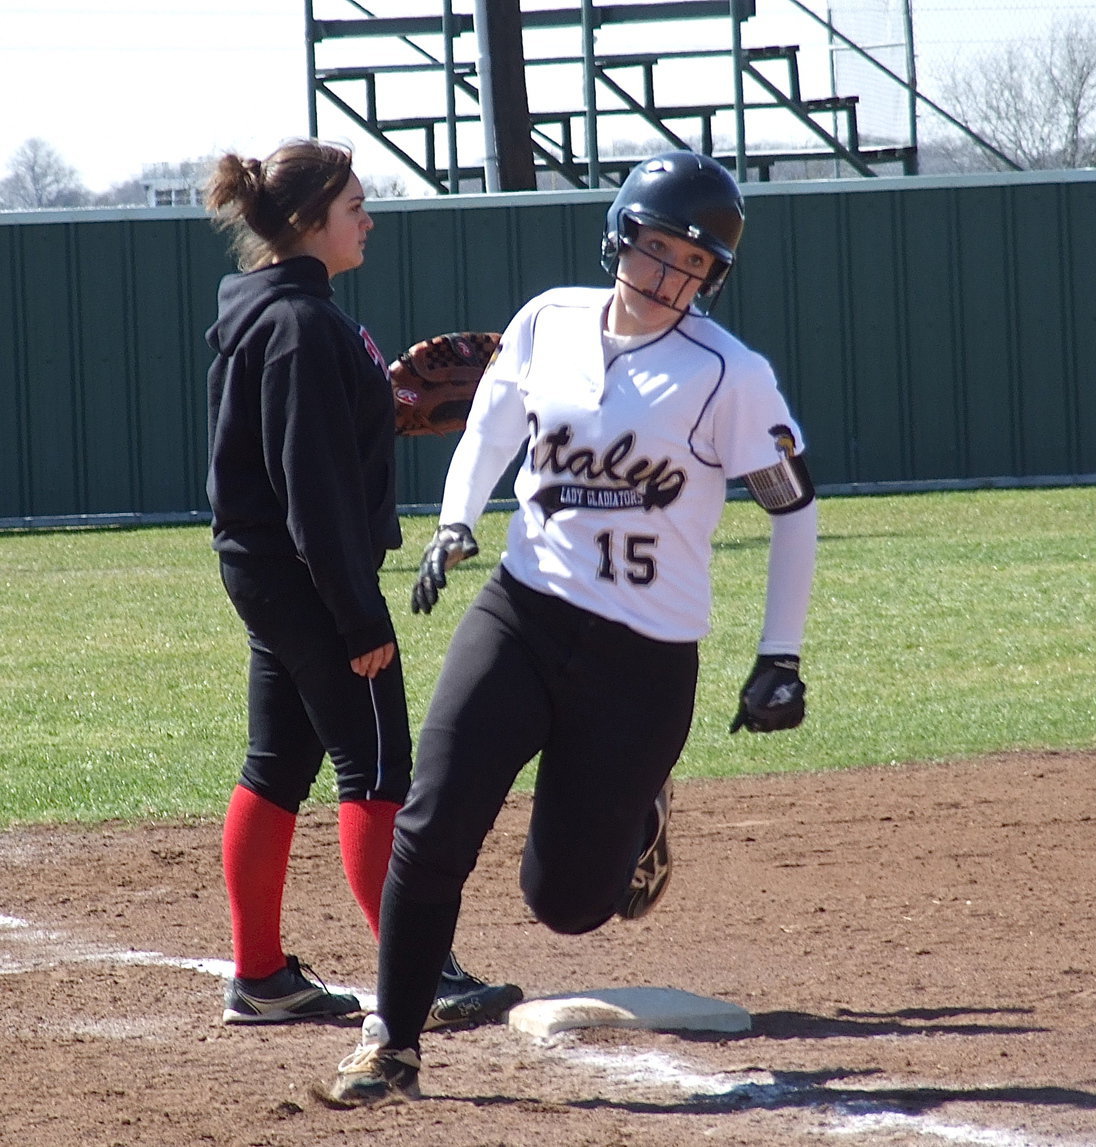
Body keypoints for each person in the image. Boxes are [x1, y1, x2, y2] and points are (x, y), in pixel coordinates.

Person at [316, 150, 818, 1105]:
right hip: (523, 611)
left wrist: (779, 654)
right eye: (658, 248)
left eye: (695, 264)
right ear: (621, 232)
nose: (670, 276)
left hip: (643, 655)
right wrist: (457, 519)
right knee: (433, 823)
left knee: (570, 905)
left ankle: (641, 814)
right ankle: (393, 1042)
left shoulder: (728, 374)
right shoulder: (547, 319)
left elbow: (792, 508)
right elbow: (490, 427)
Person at [203, 138, 522, 1028]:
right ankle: (425, 973)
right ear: (309, 223)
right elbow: (310, 487)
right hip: (311, 576)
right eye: (354, 207)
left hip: (271, 572)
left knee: (278, 764)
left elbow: (299, 447)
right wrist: (358, 617)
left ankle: (262, 976)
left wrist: (377, 409)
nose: (368, 220)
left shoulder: (273, 311)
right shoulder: (303, 326)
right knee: (378, 765)